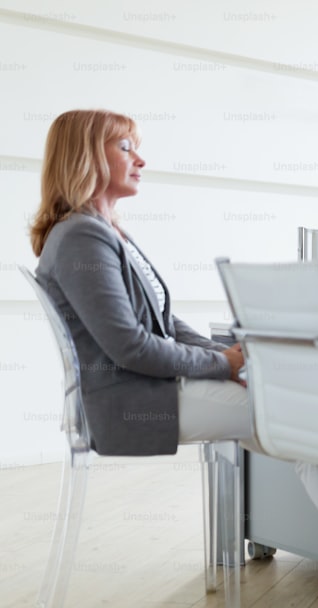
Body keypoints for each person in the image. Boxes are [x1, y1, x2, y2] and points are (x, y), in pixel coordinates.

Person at [30, 109, 254, 457]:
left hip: (150, 387)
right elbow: (132, 346)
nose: (141, 160)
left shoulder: (104, 230)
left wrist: (225, 356)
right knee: (296, 415)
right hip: (133, 400)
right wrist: (224, 364)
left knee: (296, 435)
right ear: (86, 158)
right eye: (125, 147)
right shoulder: (82, 236)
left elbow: (164, 324)